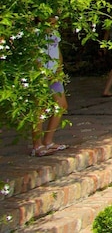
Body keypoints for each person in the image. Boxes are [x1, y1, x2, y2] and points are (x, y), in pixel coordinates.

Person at [32, 17, 68, 156]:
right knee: (39, 108)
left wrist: (59, 69)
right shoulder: (35, 34)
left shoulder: (54, 33)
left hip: (55, 75)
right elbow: (34, 56)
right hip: (40, 76)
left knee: (61, 105)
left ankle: (48, 141)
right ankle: (37, 145)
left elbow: (58, 53)